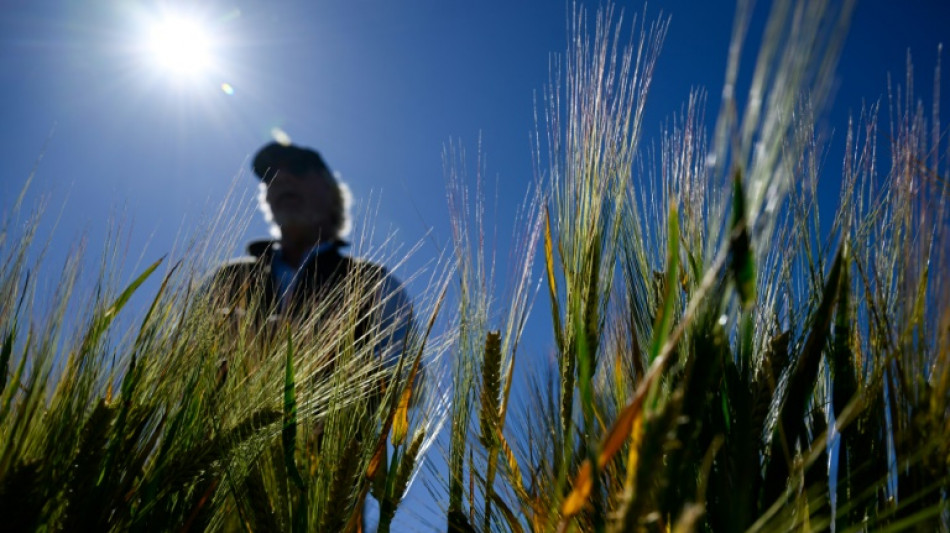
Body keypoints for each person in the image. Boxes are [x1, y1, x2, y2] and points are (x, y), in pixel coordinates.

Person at [210, 141, 413, 368]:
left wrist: (315, 353)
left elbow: (409, 381)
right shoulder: (227, 278)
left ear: (331, 190)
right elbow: (172, 363)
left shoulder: (373, 282)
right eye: (270, 175)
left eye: (298, 167)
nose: (281, 177)